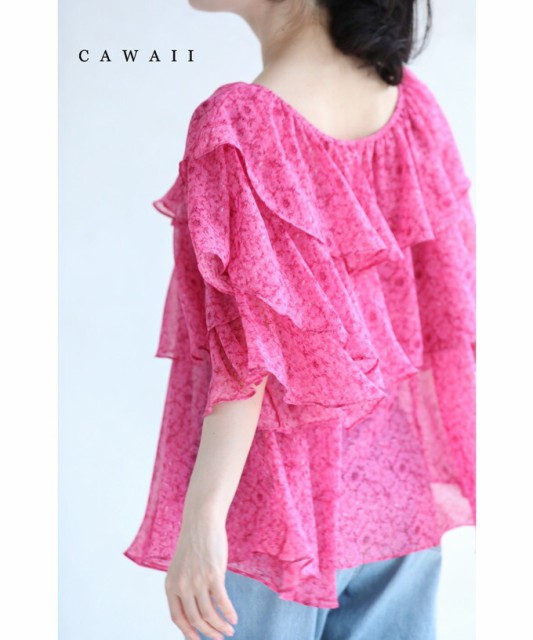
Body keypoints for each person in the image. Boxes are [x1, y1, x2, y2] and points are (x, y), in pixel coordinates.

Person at [123, 0, 476, 639]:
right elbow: (454, 306)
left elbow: (248, 350)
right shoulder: (410, 105)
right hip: (395, 495)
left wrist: (203, 517)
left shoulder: (241, 124)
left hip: (278, 513)